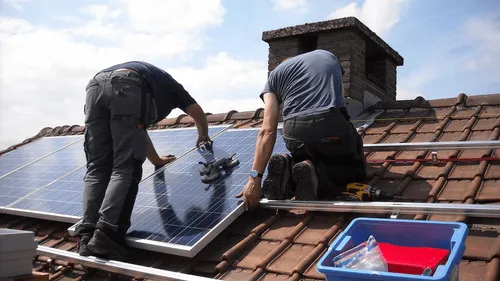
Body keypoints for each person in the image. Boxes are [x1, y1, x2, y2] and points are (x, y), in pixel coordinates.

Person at [75, 61, 211, 260]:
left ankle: (86, 236)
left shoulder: (155, 83)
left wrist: (156, 160)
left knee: (97, 167)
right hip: (126, 84)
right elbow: (197, 112)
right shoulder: (173, 88)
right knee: (125, 167)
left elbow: (137, 132)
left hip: (95, 86)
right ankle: (107, 235)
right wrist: (203, 135)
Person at [236, 49, 367, 211]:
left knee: (305, 156)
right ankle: (317, 174)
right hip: (330, 122)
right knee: (354, 170)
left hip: (294, 131)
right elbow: (339, 101)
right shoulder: (327, 55)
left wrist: (254, 178)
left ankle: (288, 165)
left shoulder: (273, 77)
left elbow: (267, 130)